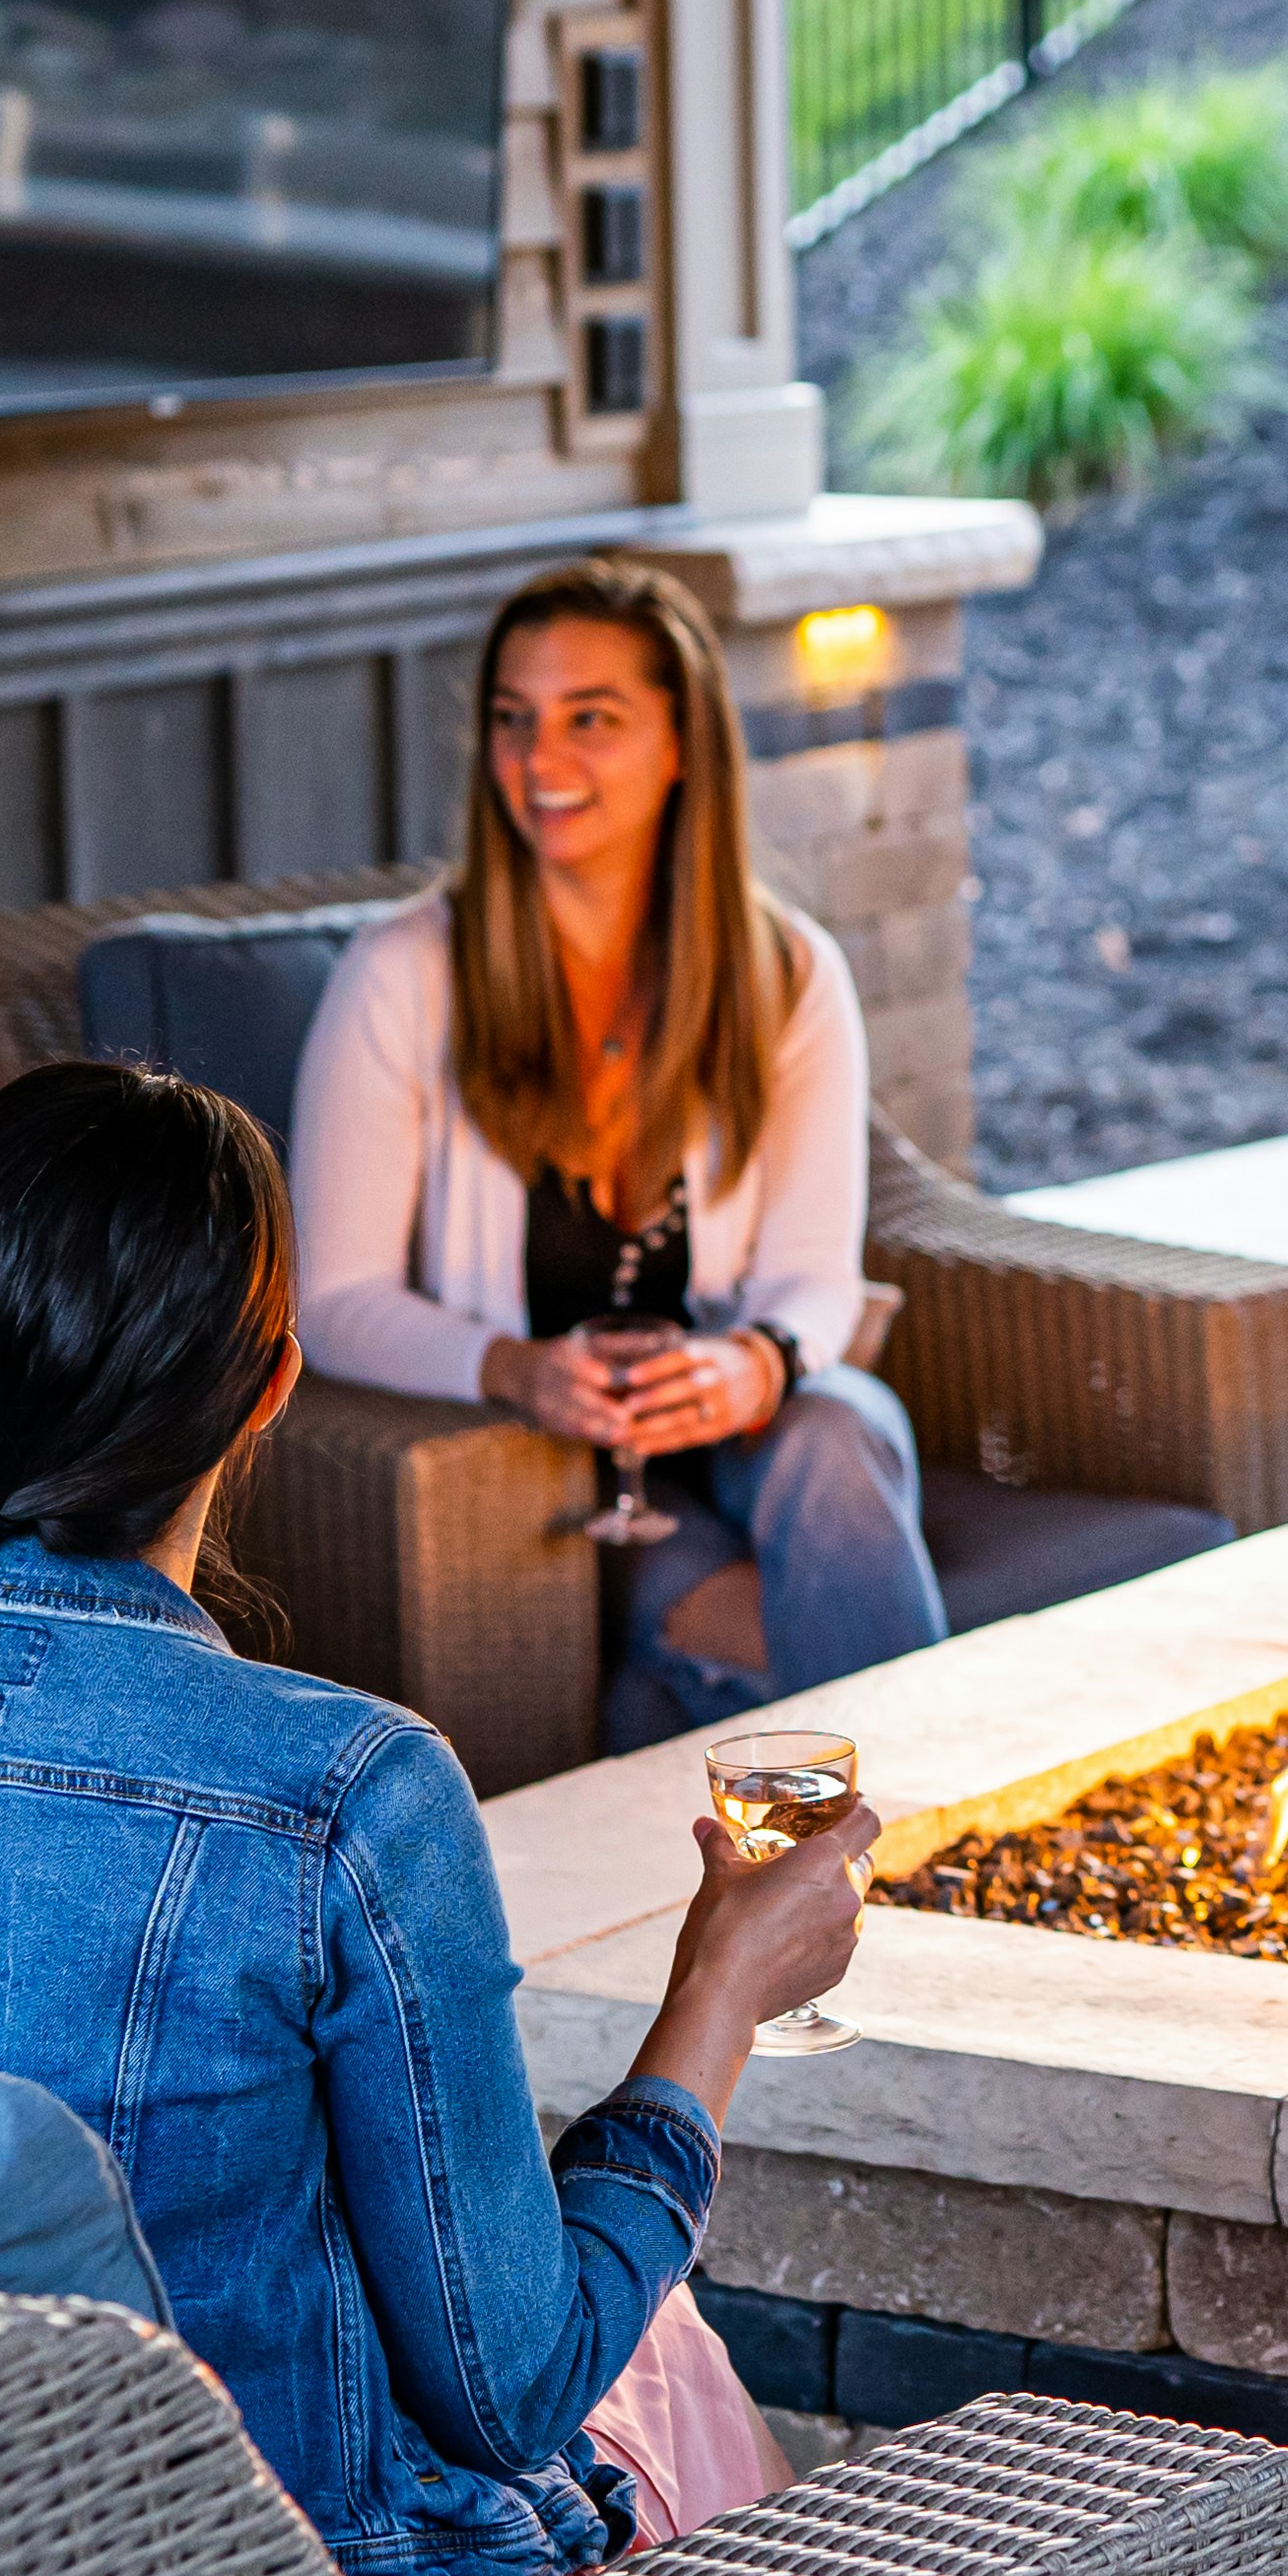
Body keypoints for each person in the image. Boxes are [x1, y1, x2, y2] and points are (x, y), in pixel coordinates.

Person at [0, 1060, 868, 2576]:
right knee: (658, 2338)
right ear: (272, 1386)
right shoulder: (352, 1786)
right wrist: (721, 1993)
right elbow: (510, 2386)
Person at [294, 553, 945, 1751]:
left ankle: (811, 1794)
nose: (540, 764)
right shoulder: (403, 977)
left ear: (683, 740)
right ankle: (922, 1806)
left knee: (838, 1421)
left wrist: (756, 1363)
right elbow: (331, 1300)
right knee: (751, 1655)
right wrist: (515, 1369)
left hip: (744, 1435)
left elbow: (817, 1271)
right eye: (513, 720)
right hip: (543, 1466)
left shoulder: (786, 974)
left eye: (590, 719)